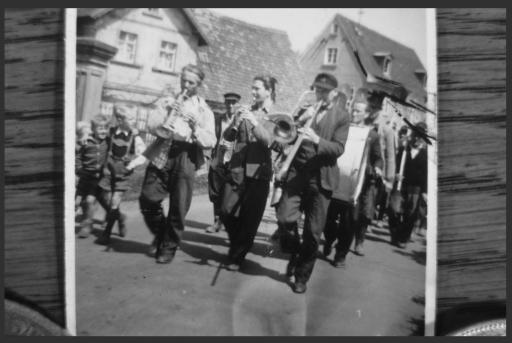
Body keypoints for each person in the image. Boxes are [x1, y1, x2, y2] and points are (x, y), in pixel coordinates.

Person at [275, 73, 350, 294]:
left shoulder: (342, 116)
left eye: (324, 92)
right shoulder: (307, 109)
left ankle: (301, 276)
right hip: (298, 174)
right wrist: (299, 120)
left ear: (334, 93)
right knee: (283, 217)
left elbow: (338, 148)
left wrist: (316, 139)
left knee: (313, 233)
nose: (320, 95)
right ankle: (296, 252)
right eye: (317, 90)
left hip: (322, 179)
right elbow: (286, 135)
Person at [139, 64, 216, 263]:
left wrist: (195, 126)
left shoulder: (204, 109)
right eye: (184, 80)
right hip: (164, 148)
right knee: (148, 198)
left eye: (191, 82)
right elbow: (150, 126)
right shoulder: (167, 100)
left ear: (199, 85)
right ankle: (162, 233)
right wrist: (166, 113)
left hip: (187, 156)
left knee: (179, 206)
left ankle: (168, 247)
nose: (186, 85)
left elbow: (211, 141)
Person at [219, 76, 276, 271]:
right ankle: (238, 246)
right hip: (237, 169)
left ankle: (237, 256)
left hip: (259, 172)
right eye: (252, 89)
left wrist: (253, 122)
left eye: (257, 89)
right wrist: (235, 122)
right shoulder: (246, 111)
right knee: (226, 211)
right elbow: (228, 137)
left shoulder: (276, 115)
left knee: (250, 219)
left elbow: (268, 140)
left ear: (268, 91)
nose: (252, 93)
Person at [323, 88, 383, 267]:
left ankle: (340, 255)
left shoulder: (371, 135)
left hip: (355, 186)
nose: (354, 113)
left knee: (349, 223)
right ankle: (328, 239)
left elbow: (378, 157)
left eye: (358, 111)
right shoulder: (343, 126)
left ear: (366, 114)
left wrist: (378, 168)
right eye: (353, 109)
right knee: (328, 219)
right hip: (336, 181)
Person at [96, 104, 146, 245]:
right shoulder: (111, 132)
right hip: (108, 170)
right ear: (120, 120)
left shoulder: (135, 137)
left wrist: (130, 165)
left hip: (123, 173)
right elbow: (104, 148)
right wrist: (102, 165)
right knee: (99, 194)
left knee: (114, 201)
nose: (134, 121)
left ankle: (106, 234)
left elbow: (143, 155)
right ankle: (119, 217)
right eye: (130, 118)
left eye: (134, 118)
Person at [205, 92, 242, 233]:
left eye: (233, 103)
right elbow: (212, 136)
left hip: (234, 162)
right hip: (219, 159)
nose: (231, 105)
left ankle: (228, 221)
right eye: (228, 103)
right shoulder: (218, 119)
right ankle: (216, 222)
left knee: (230, 193)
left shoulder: (241, 120)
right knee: (216, 191)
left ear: (238, 104)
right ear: (225, 104)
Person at [391, 122, 428, 248]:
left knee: (410, 213)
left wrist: (424, 191)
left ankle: (403, 238)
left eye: (420, 136)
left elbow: (426, 174)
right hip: (401, 185)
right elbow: (395, 165)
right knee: (394, 209)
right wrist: (396, 174)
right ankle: (395, 233)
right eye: (415, 135)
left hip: (416, 189)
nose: (417, 139)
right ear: (412, 135)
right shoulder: (404, 150)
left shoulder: (425, 155)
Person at [75, 115, 110, 238]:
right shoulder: (86, 142)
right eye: (100, 128)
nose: (103, 131)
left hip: (100, 178)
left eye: (106, 128)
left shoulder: (108, 141)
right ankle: (115, 215)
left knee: (94, 200)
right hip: (85, 177)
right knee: (78, 202)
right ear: (93, 129)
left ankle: (87, 226)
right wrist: (78, 169)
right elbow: (78, 157)